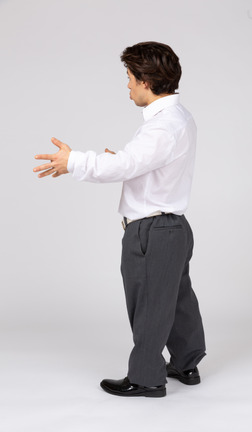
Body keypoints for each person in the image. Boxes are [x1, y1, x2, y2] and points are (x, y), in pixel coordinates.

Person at [33, 41, 206, 398]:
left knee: (148, 303)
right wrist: (124, 160)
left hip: (152, 231)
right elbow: (147, 164)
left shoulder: (161, 126)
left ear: (145, 80)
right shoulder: (179, 117)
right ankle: (187, 363)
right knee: (177, 298)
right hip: (173, 226)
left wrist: (74, 162)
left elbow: (127, 165)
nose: (127, 85)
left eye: (129, 78)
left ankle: (146, 378)